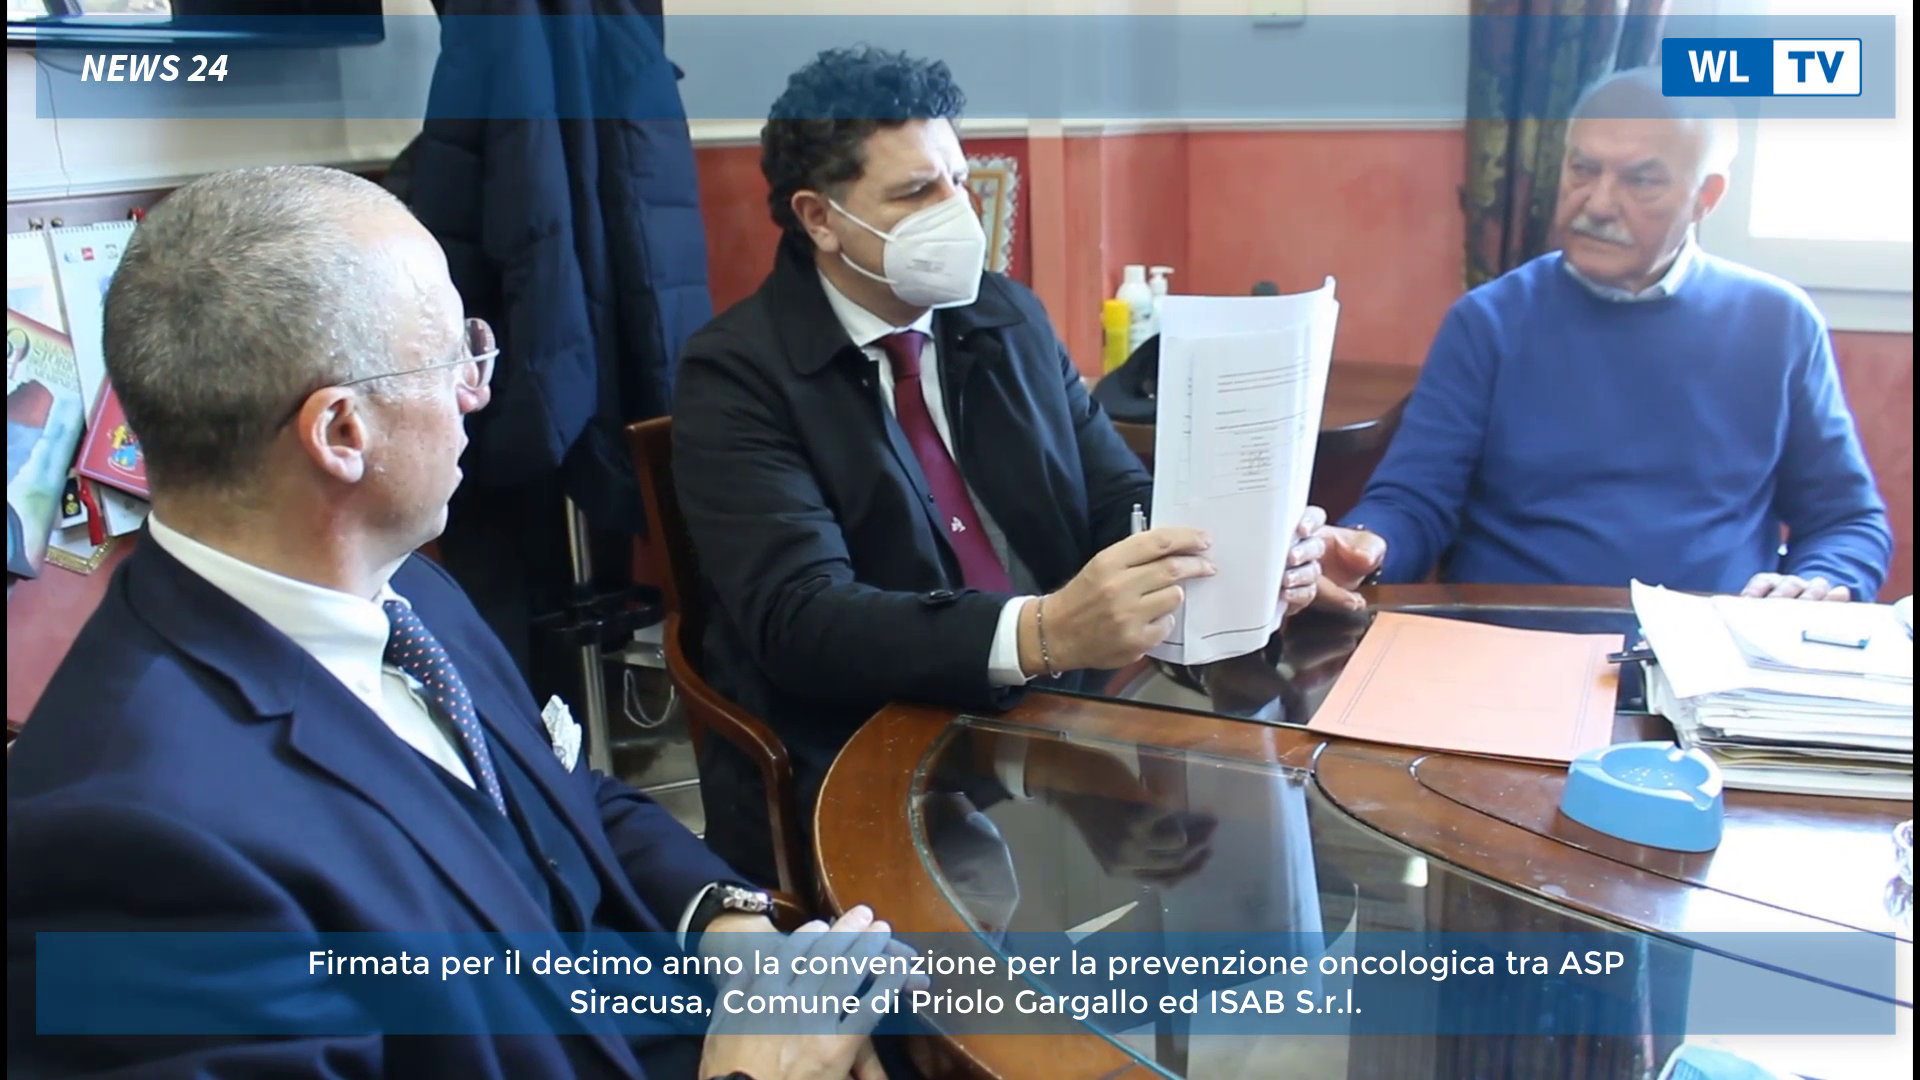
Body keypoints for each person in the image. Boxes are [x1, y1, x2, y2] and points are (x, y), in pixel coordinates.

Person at [6, 166, 910, 1080]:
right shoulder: (126, 841)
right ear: (342, 433)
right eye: (455, 355)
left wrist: (729, 932)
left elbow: (564, 804)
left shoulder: (406, 591)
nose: (477, 389)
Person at [671, 46, 1327, 887]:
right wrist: (1043, 633)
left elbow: (1116, 496)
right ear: (819, 218)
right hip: (869, 747)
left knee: (1248, 833)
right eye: (916, 192)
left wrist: (1239, 548)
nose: (956, 211)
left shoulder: (1005, 314)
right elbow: (801, 620)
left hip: (1061, 720)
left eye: (957, 178)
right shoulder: (736, 375)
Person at [1312, 67, 1892, 610]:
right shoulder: (1489, 320)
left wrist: (1819, 582)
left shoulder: (1779, 323)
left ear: (1706, 197)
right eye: (1582, 170)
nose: (1598, 204)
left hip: (1707, 645)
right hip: (1512, 638)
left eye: (1641, 181)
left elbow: (1847, 522)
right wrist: (1366, 545)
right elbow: (1414, 501)